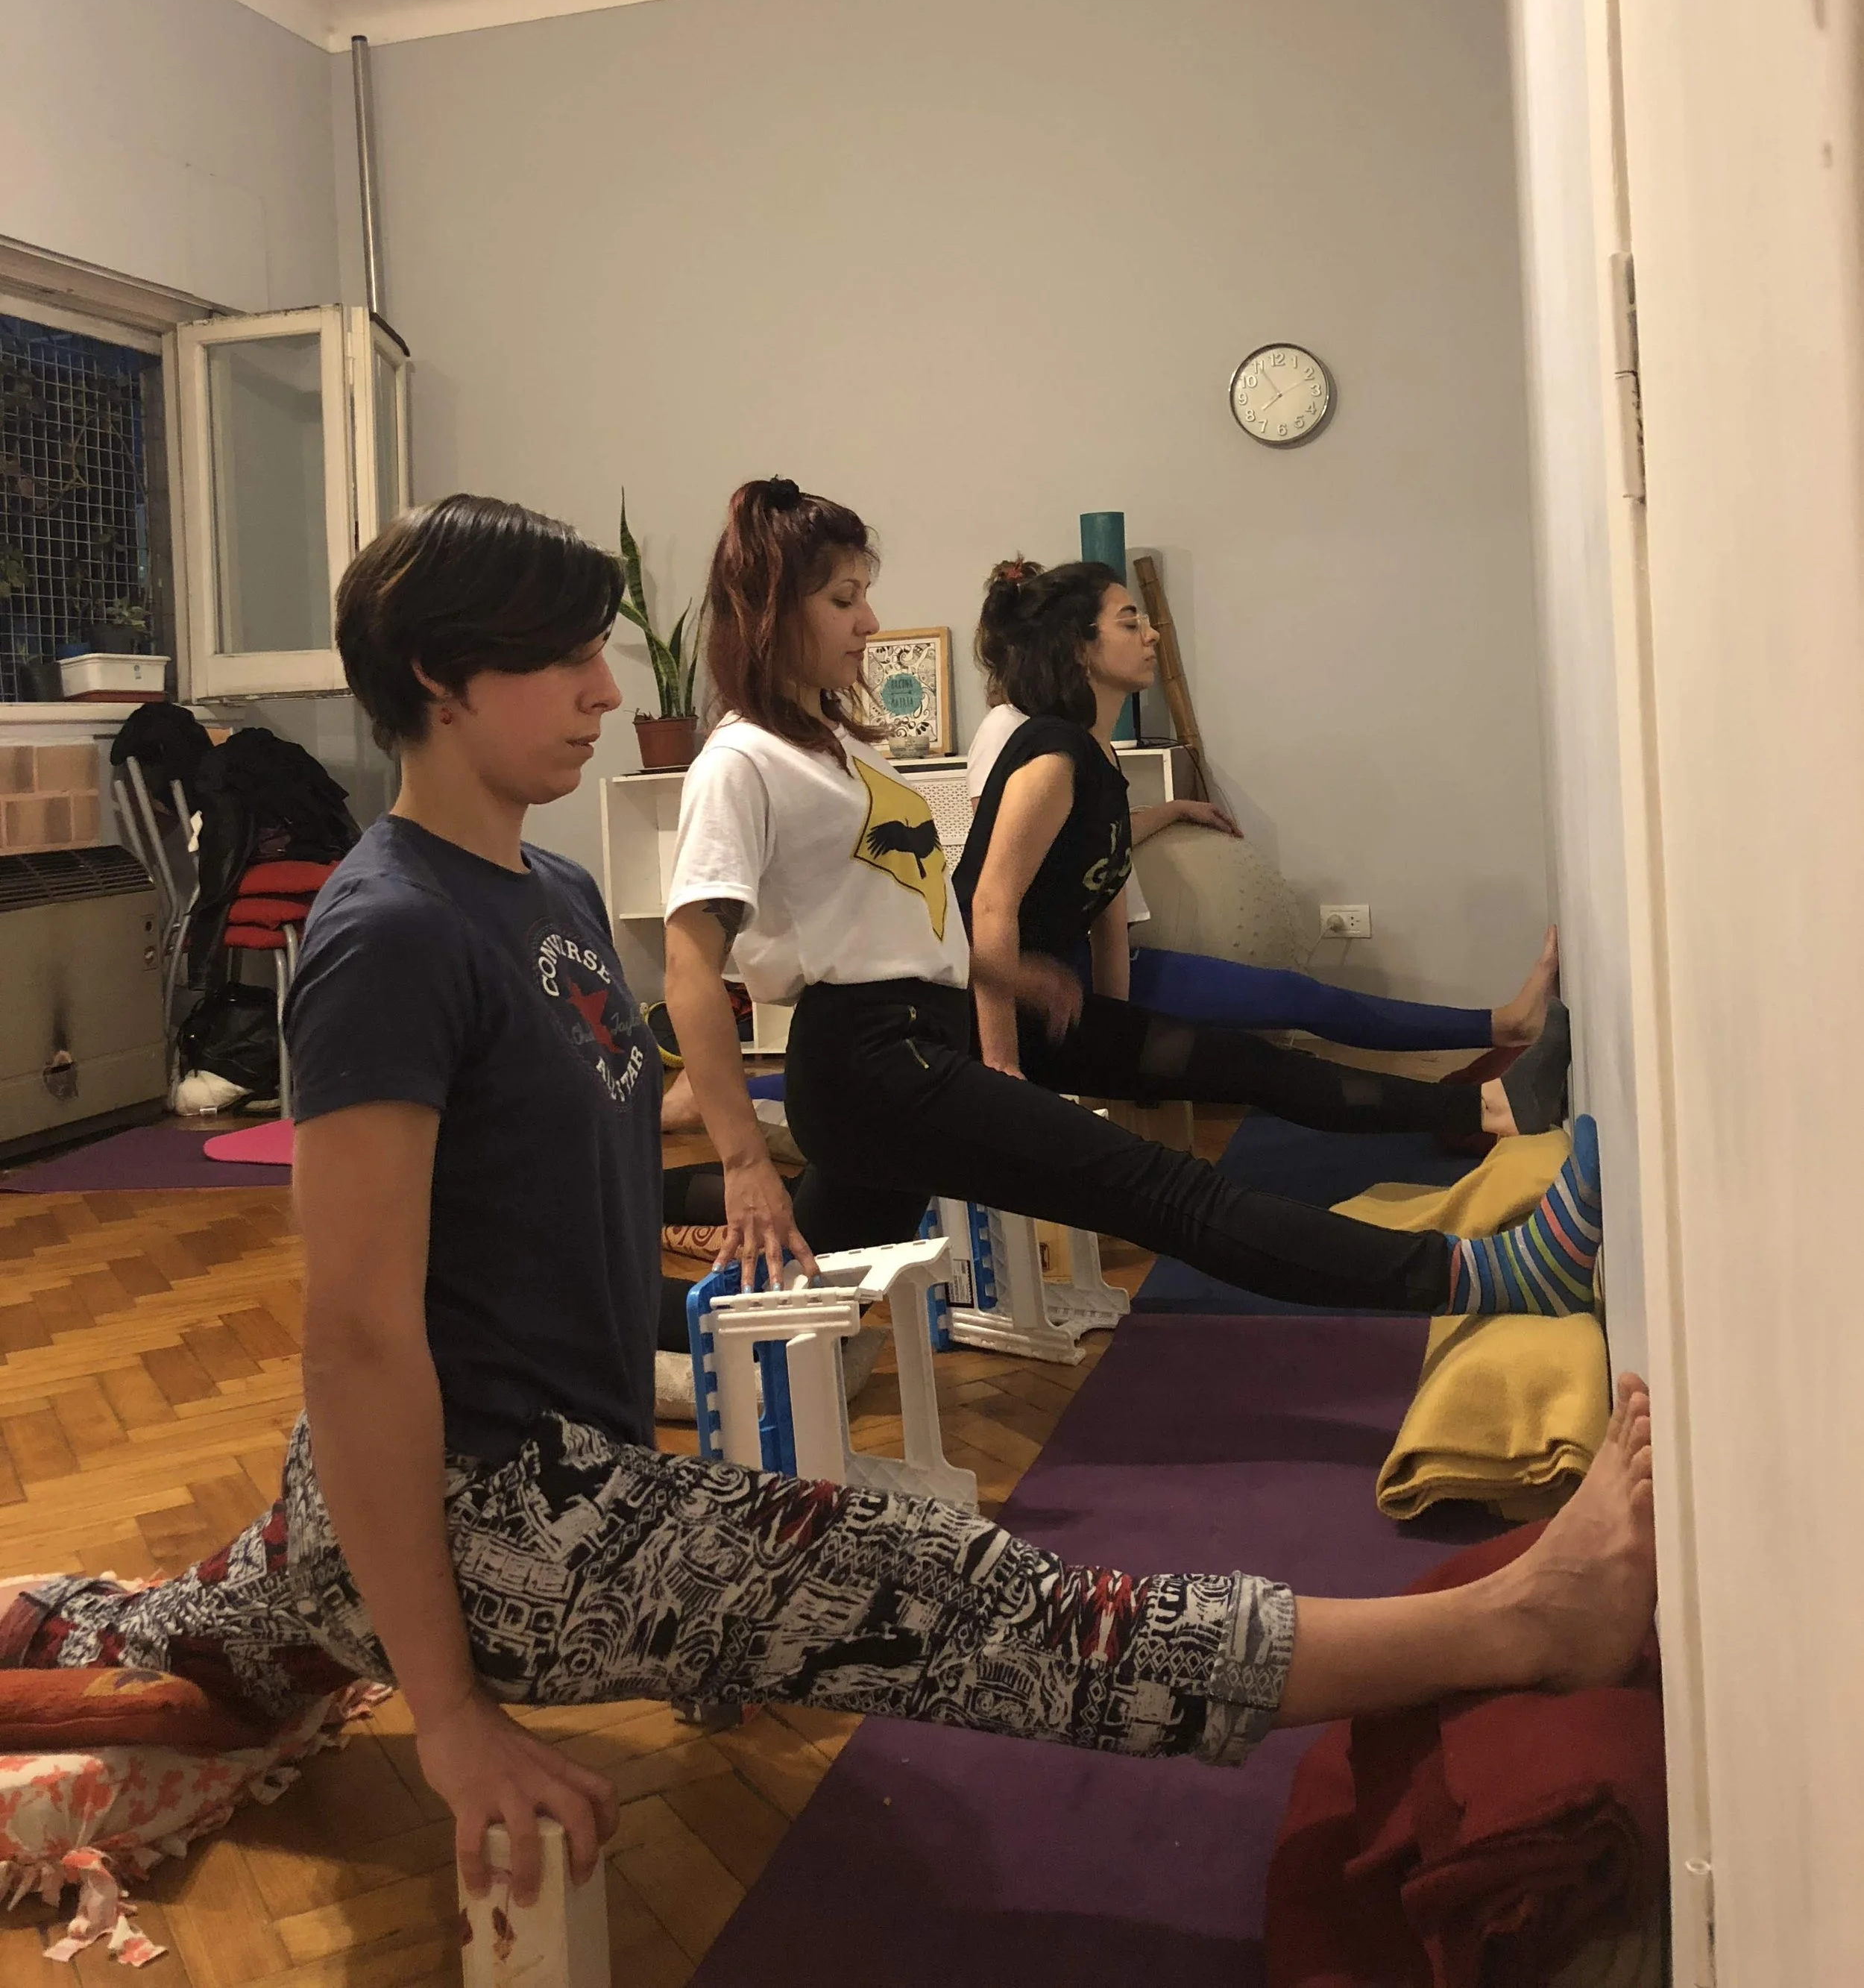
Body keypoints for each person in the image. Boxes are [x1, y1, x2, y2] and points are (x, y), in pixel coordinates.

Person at [7, 492, 1657, 1919]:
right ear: (441, 681)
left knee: (137, 1628)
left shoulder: (552, 889)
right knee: (975, 1596)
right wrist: (445, 1715)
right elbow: (357, 1339)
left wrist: (760, 1135)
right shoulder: (384, 934)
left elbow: (576, 1107)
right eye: (560, 661)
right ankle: (1517, 1624)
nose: (604, 690)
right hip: (490, 1517)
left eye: (601, 647)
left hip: (512, 1473)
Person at [664, 479, 1596, 1318]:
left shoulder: (836, 744)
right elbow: (690, 971)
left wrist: (1010, 974)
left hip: (914, 1034)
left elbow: (908, 911)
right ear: (769, 614)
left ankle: (625, 1252)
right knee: (1158, 1189)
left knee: (793, 1299)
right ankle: (1475, 1279)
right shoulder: (741, 761)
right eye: (843, 599)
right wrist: (746, 1162)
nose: (870, 621)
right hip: (874, 1060)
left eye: (863, 592)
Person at [953, 557, 1571, 1142]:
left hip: (1073, 998)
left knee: (1266, 1049)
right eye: (1129, 621)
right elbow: (988, 907)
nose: (1152, 636)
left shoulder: (1099, 756)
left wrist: (1118, 1031)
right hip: (1006, 1008)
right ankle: (1490, 1103)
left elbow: (1105, 894)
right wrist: (1000, 1067)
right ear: (1080, 646)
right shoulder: (1050, 757)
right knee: (1259, 1065)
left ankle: (1494, 1089)